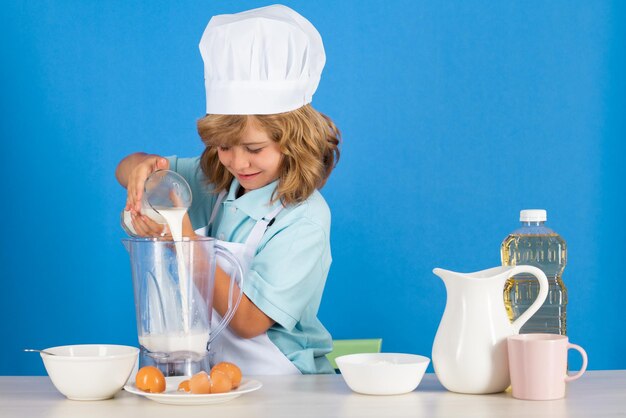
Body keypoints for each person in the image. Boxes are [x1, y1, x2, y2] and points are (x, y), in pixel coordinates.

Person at [115, 4, 340, 375]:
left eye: (254, 149)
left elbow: (248, 322)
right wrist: (143, 170)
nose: (238, 163)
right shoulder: (216, 183)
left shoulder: (304, 218)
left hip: (286, 384)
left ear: (295, 140)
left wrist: (184, 241)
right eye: (224, 147)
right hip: (217, 378)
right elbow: (125, 168)